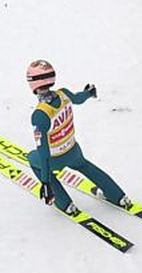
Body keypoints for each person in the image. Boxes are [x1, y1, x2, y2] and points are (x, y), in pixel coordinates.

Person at [24, 60, 130, 214]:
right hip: (73, 150)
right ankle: (118, 196)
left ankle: (64, 203)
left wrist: (46, 183)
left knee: (32, 158)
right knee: (85, 166)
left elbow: (44, 153)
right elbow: (78, 99)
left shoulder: (39, 115)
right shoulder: (64, 94)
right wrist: (88, 93)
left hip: (55, 158)